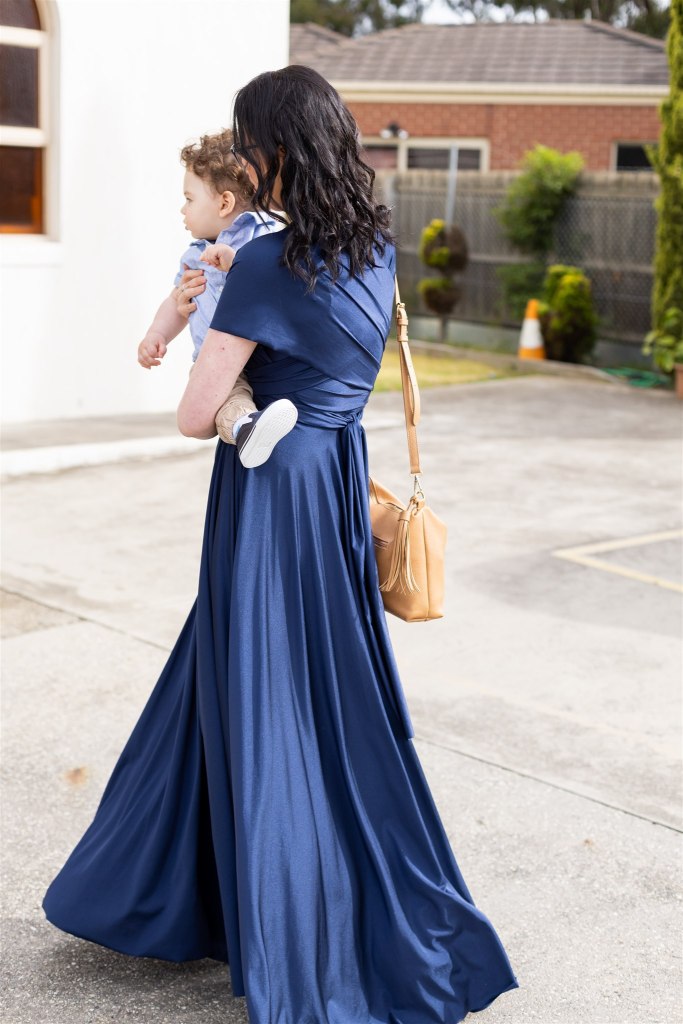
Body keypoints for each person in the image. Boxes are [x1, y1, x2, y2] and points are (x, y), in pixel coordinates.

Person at [42, 66, 520, 1024]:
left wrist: (210, 365)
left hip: (271, 490)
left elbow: (194, 414)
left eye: (247, 140)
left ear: (271, 150)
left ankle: (281, 923)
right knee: (321, 689)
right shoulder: (375, 248)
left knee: (264, 691)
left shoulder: (265, 261)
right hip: (334, 473)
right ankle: (220, 894)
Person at [137, 128, 297, 467]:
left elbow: (276, 286)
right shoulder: (194, 255)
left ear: (224, 202)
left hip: (265, 355)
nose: (182, 209)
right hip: (216, 363)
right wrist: (157, 333)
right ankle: (246, 427)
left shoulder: (263, 235)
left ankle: (253, 427)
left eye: (189, 199)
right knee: (230, 398)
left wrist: (236, 264)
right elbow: (175, 301)